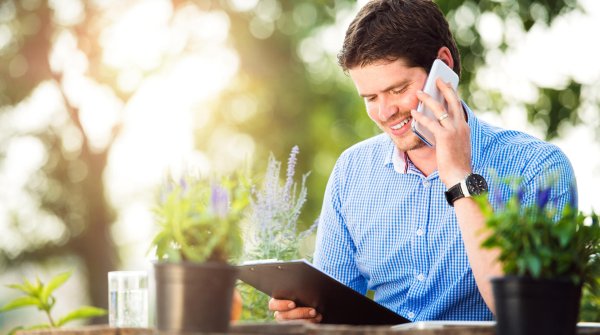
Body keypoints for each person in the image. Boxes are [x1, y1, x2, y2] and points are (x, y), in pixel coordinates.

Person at [269, 0, 576, 322]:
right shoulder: (352, 171)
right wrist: (310, 317)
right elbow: (335, 309)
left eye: (398, 89)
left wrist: (460, 177)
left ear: (443, 65)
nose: (385, 112)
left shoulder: (537, 167)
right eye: (371, 98)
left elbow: (532, 317)